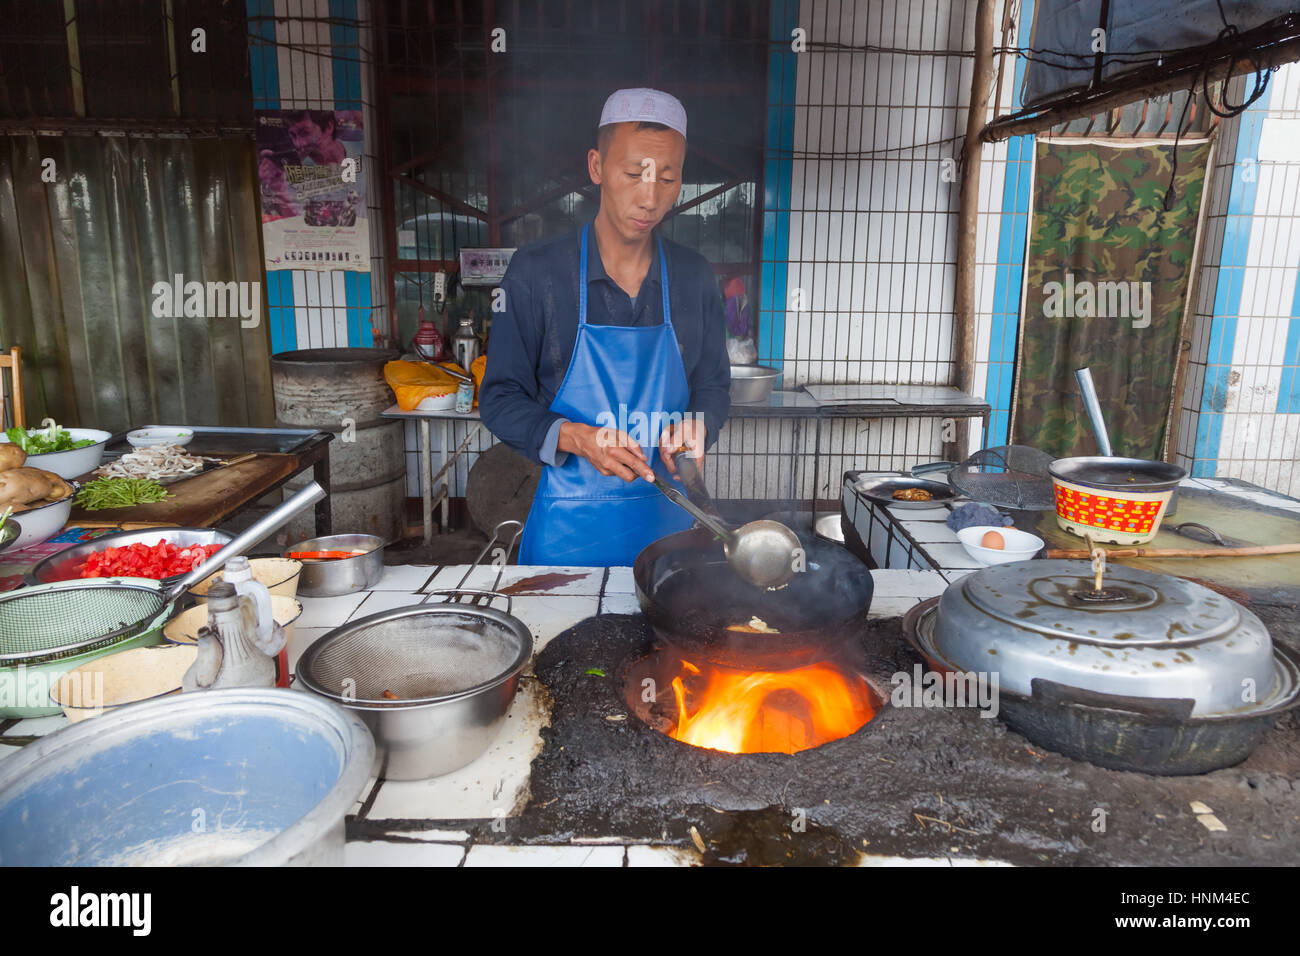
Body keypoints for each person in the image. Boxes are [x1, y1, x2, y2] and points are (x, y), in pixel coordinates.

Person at [479, 87, 731, 567]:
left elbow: (713, 385)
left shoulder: (694, 276)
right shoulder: (536, 274)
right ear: (596, 167)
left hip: (672, 540)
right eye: (634, 174)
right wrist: (575, 437)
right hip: (566, 546)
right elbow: (499, 398)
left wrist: (701, 424)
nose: (650, 197)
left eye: (668, 178)